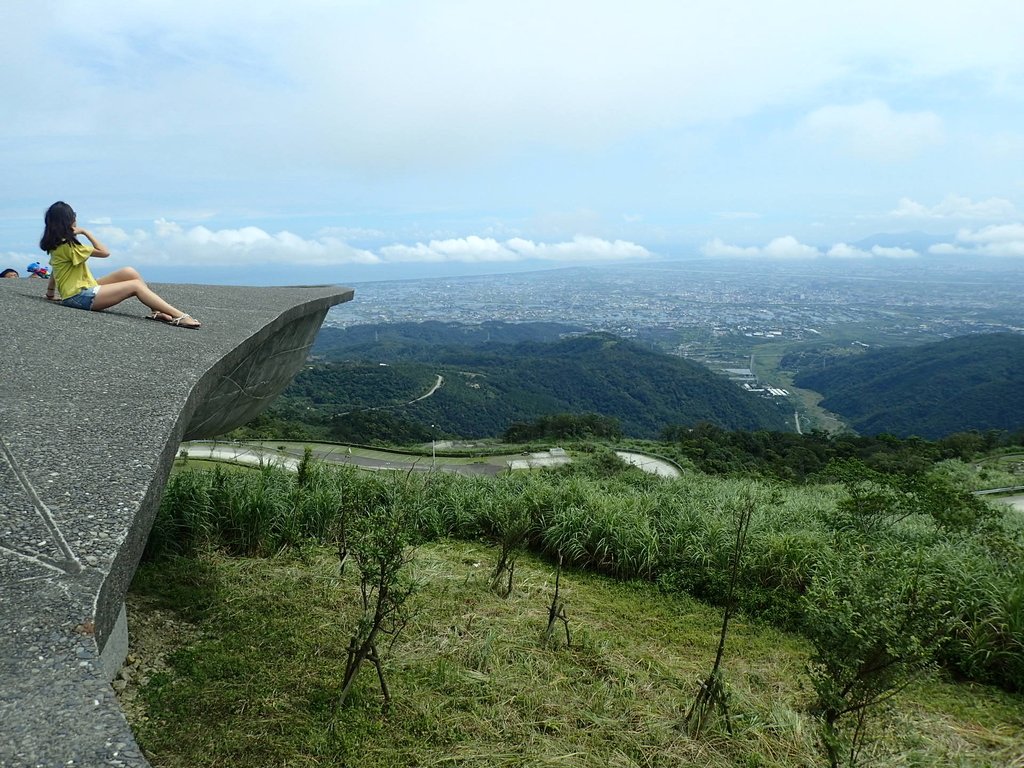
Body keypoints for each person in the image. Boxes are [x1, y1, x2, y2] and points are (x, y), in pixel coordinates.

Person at [39, 201, 201, 328]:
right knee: (135, 286)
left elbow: (56, 269)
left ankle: (156, 311)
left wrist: (50, 293)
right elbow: (104, 252)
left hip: (79, 290)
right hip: (80, 296)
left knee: (129, 272)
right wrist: (85, 232)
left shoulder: (56, 244)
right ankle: (180, 316)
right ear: (70, 221)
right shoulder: (70, 246)